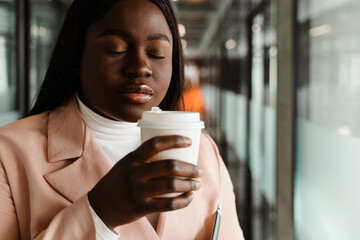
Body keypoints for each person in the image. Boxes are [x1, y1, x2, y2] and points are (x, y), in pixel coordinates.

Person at [0, 0, 244, 239]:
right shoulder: (9, 153)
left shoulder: (205, 152)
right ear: (76, 56)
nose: (140, 67)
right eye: (116, 48)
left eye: (156, 53)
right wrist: (100, 214)